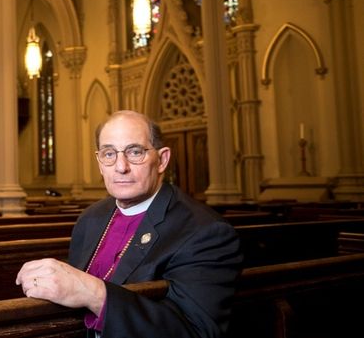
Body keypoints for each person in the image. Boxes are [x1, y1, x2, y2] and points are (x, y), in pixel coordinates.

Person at [16, 110, 243, 338]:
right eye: (109, 154)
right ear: (99, 163)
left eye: (135, 152)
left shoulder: (205, 232)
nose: (121, 166)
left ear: (162, 159)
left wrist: (94, 293)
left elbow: (194, 332)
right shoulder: (90, 218)